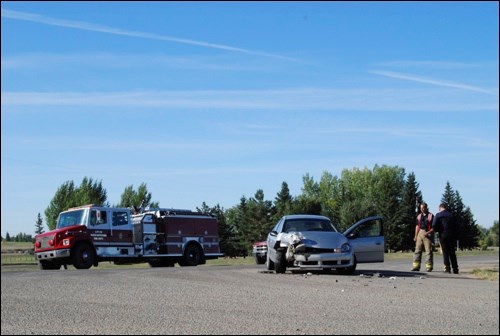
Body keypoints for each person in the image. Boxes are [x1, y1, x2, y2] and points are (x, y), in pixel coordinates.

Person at [432, 202, 459, 274]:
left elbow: (434, 225)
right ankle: (455, 268)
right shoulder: (451, 215)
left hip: (442, 235)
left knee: (445, 252)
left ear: (440, 208)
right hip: (451, 235)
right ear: (446, 207)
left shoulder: (438, 215)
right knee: (452, 252)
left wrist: (437, 230)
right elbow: (456, 225)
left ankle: (447, 268)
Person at [411, 202, 434, 272]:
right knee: (417, 250)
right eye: (421, 208)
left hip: (428, 233)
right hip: (420, 233)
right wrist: (415, 235)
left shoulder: (431, 216)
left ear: (426, 208)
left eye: (423, 208)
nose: (422, 209)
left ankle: (429, 267)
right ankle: (416, 266)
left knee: (428, 251)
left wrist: (428, 233)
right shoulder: (419, 216)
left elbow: (434, 227)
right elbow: (417, 226)